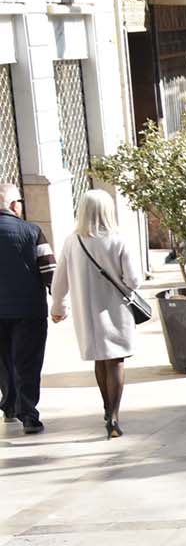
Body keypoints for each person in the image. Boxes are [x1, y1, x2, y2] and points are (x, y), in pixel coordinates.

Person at [48, 189, 141, 439]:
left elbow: (59, 280)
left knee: (100, 359)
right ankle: (115, 415)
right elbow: (133, 280)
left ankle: (107, 408)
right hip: (115, 309)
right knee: (116, 360)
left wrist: (58, 307)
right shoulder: (119, 241)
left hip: (86, 312)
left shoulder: (72, 242)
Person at [0, 183, 53, 434]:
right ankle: (29, 415)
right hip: (29, 310)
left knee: (4, 361)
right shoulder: (32, 231)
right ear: (14, 205)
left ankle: (10, 405)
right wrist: (59, 299)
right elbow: (49, 269)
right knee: (28, 362)